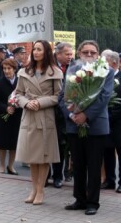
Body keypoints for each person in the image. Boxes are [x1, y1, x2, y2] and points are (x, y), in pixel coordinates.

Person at [59, 40, 114, 215]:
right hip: (75, 125)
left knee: (94, 165)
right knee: (78, 164)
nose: (89, 55)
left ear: (98, 55)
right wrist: (72, 114)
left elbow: (104, 97)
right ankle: (79, 199)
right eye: (85, 52)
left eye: (93, 52)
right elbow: (63, 96)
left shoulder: (107, 71)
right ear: (79, 54)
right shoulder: (72, 69)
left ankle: (92, 202)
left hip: (95, 125)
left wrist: (86, 115)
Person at [15, 40, 62, 205]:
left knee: (44, 156)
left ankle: (41, 191)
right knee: (31, 156)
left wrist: (40, 102)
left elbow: (58, 96)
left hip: (45, 116)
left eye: (39, 49)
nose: (35, 52)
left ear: (47, 52)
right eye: (34, 49)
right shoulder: (24, 71)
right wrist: (26, 103)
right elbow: (18, 93)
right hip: (28, 116)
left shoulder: (54, 72)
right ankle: (33, 189)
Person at [100, 50, 121, 194]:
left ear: (113, 62)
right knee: (107, 153)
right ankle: (109, 180)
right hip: (106, 124)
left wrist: (109, 115)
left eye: (103, 61)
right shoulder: (101, 78)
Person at [0, 58, 22, 174]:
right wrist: (6, 108)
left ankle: (11, 166)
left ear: (14, 69)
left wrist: (17, 105)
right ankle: (2, 165)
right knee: (2, 142)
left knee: (14, 143)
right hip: (3, 116)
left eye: (9, 68)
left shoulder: (20, 82)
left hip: (17, 116)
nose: (6, 71)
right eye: (4, 68)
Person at [51, 42, 74, 188]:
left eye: (71, 54)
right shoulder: (51, 67)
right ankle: (57, 175)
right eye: (67, 54)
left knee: (70, 145)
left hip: (71, 112)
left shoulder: (76, 67)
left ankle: (68, 172)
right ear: (58, 54)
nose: (70, 57)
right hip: (54, 112)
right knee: (57, 146)